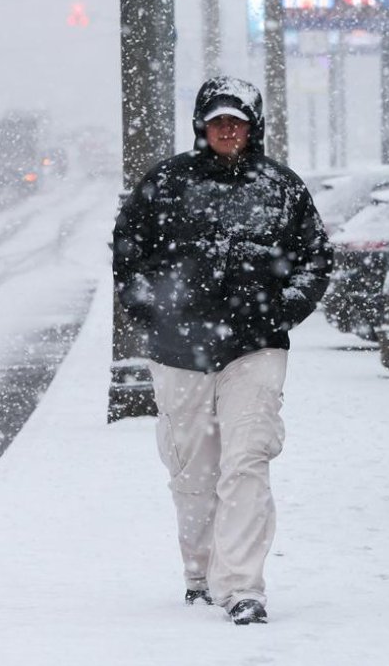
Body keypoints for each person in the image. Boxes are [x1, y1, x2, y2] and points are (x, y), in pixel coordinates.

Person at [112, 76, 333, 625]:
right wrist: (152, 311)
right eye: (217, 121)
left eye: (237, 120)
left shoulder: (282, 187)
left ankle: (242, 588)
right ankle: (199, 571)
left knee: (247, 462)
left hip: (254, 349)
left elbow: (315, 259)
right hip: (178, 350)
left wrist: (279, 311)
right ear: (201, 126)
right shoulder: (165, 184)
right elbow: (127, 254)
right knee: (192, 470)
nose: (227, 129)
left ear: (253, 126)